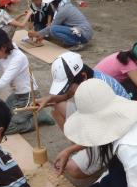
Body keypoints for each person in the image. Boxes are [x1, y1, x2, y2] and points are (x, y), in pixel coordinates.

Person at [37, 52, 131, 180]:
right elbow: (68, 94)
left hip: (116, 137)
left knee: (72, 168)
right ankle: (84, 149)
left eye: (69, 88)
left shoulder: (100, 93)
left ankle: (112, 159)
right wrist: (50, 99)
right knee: (57, 105)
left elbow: (102, 134)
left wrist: (68, 151)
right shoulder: (89, 80)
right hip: (100, 125)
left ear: (83, 76)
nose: (68, 92)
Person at [0, 28, 54, 134]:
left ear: (3, 47)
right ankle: (33, 113)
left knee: (6, 128)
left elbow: (2, 82)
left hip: (29, 97)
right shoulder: (4, 55)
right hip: (17, 96)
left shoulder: (18, 58)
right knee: (0, 118)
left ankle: (38, 118)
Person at [28, 0, 93, 51]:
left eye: (52, 2)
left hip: (84, 34)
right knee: (55, 28)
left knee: (53, 29)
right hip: (84, 31)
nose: (52, 4)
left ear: (55, 1)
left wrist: (37, 33)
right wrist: (42, 34)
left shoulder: (63, 10)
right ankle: (74, 41)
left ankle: (78, 43)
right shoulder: (65, 4)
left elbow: (52, 27)